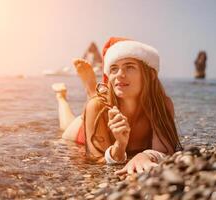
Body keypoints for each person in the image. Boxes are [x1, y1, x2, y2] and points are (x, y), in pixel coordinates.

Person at [52, 37, 182, 175]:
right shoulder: (96, 107)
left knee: (94, 102)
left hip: (101, 108)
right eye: (114, 68)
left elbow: (165, 150)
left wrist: (145, 156)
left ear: (150, 75)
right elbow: (95, 159)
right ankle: (62, 97)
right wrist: (119, 147)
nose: (119, 74)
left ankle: (92, 90)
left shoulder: (161, 104)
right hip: (85, 131)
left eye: (129, 67)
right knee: (66, 125)